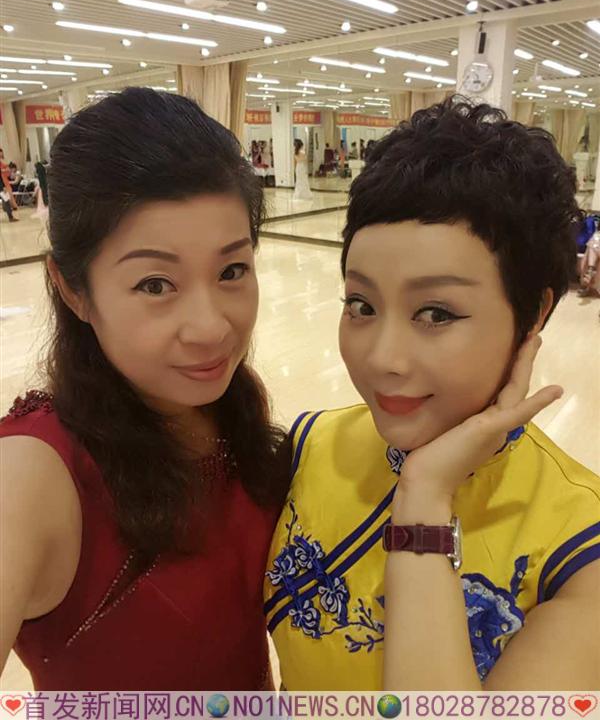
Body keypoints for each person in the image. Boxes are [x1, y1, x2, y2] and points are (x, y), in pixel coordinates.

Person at [265, 98, 600, 690]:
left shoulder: (579, 547)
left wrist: (424, 499)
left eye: (436, 313)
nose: (383, 359)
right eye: (361, 304)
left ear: (533, 314)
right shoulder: (308, 445)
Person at [0, 87, 290, 690]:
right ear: (73, 289)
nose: (212, 328)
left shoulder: (229, 405)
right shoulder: (32, 474)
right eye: (155, 284)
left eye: (232, 270)